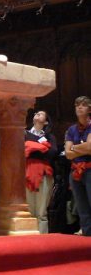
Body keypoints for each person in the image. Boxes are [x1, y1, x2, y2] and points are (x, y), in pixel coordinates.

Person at [25, 110, 58, 234]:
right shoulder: (24, 134)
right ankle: (30, 240)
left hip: (44, 174)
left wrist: (31, 147)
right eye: (36, 113)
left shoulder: (50, 136)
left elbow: (52, 153)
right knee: (29, 212)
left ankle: (43, 240)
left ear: (46, 122)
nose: (37, 114)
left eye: (41, 114)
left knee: (41, 212)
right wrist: (42, 147)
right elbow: (21, 151)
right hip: (27, 173)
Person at [64, 96, 91, 236]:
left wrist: (74, 147)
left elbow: (90, 148)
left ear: (89, 109)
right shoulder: (71, 129)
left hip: (90, 169)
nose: (79, 107)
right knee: (82, 207)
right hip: (75, 171)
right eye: (77, 105)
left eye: (83, 105)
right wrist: (82, 147)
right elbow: (68, 154)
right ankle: (87, 235)